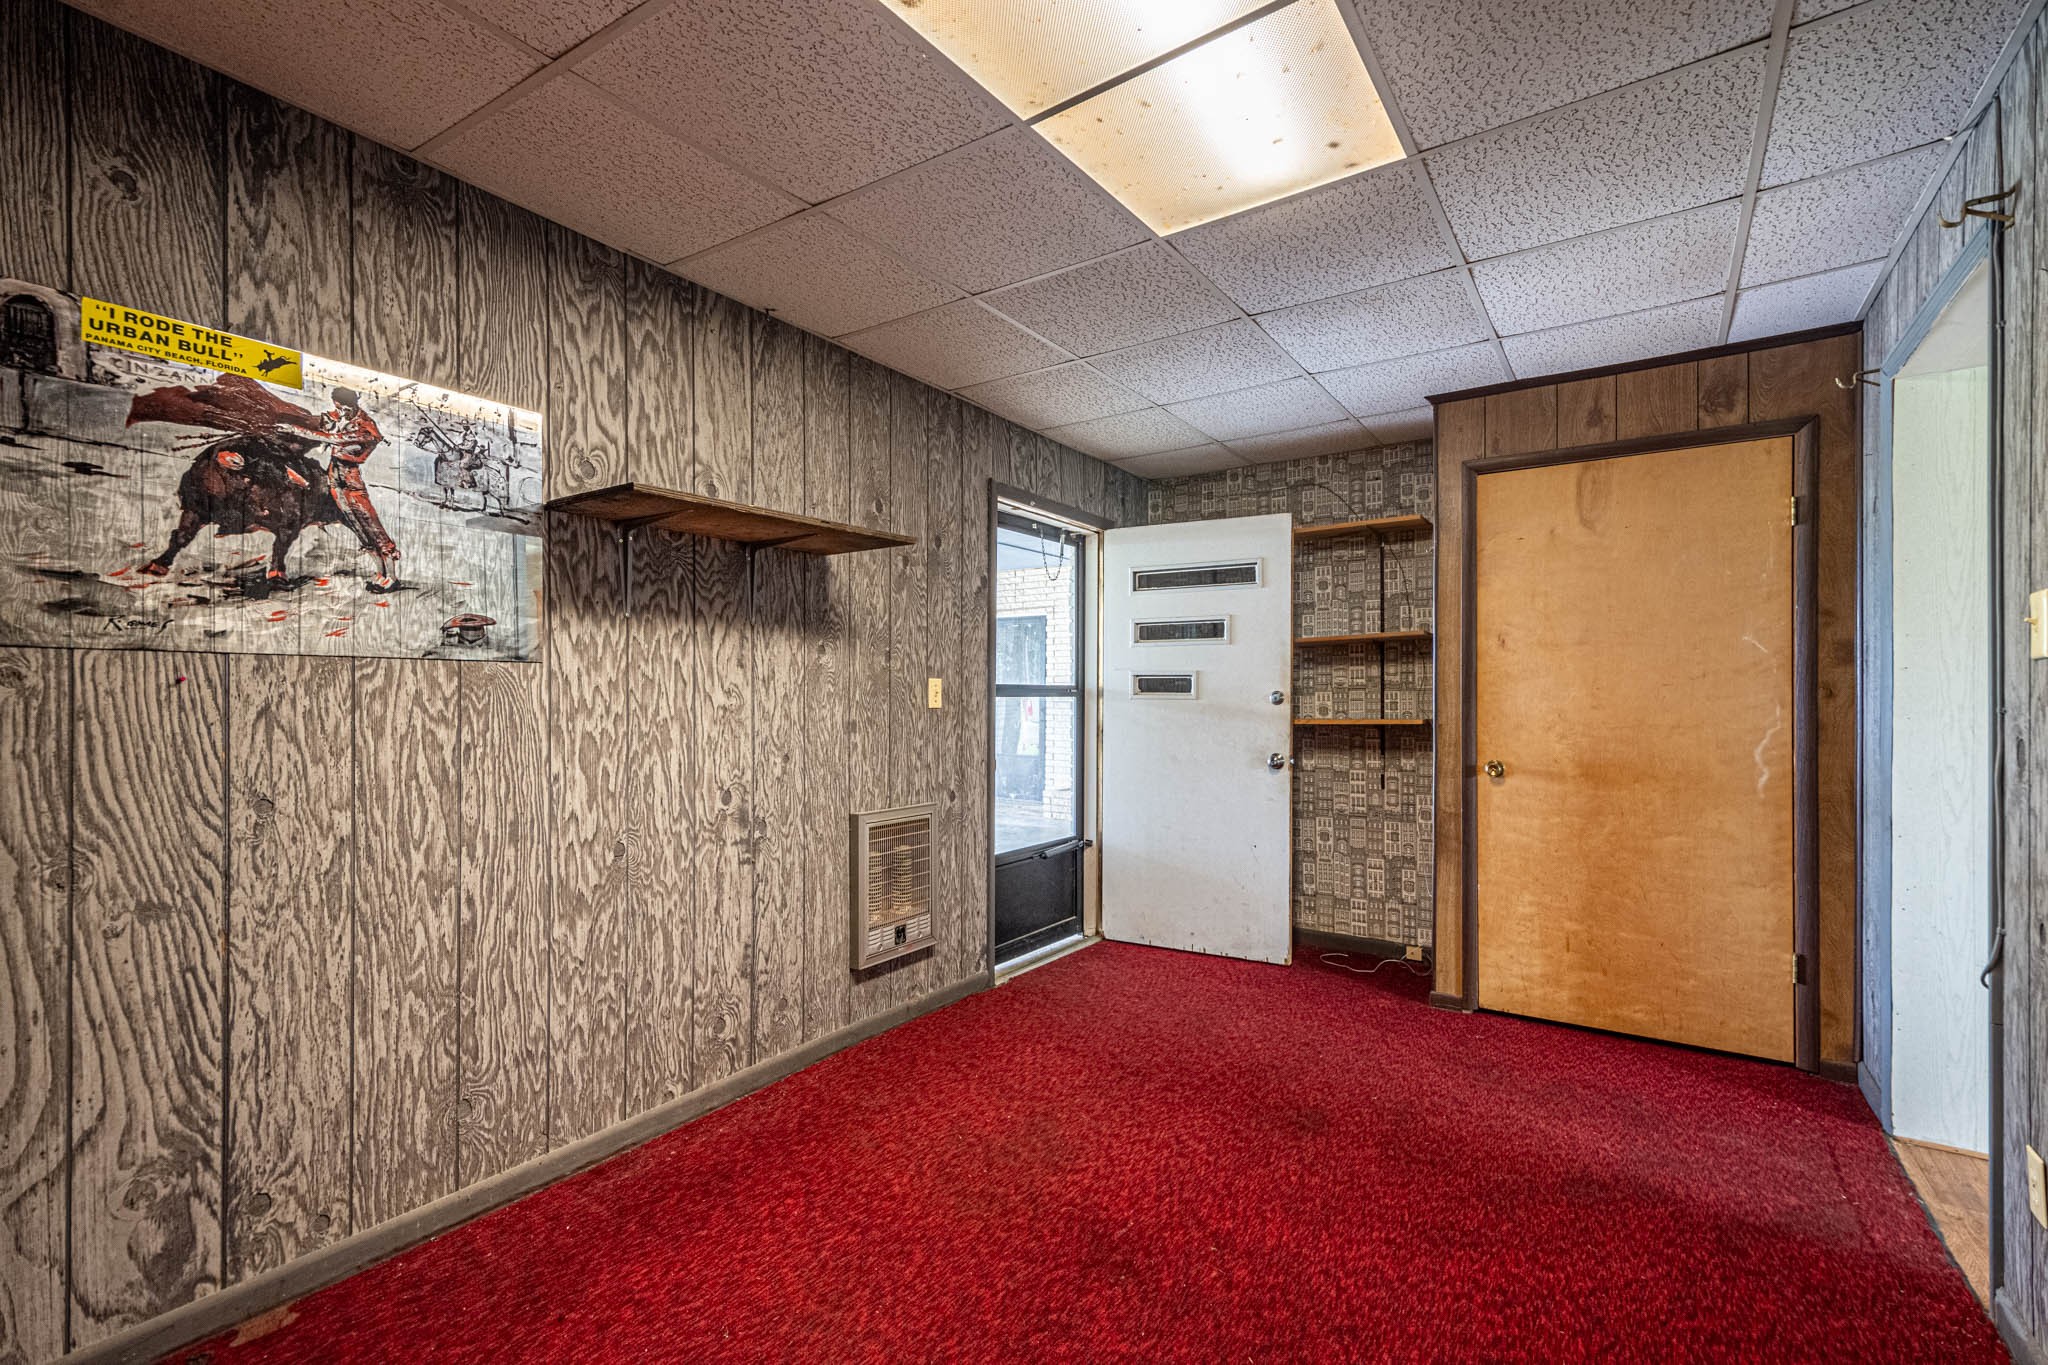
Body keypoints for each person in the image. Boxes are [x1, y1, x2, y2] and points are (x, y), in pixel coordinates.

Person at [302, 385, 401, 591]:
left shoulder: (365, 425)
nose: (340, 411)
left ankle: (391, 576)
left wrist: (299, 431)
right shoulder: (335, 417)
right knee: (356, 525)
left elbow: (336, 439)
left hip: (351, 478)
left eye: (343, 408)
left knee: (370, 523)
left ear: (352, 404)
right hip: (335, 475)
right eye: (337, 407)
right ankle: (380, 573)